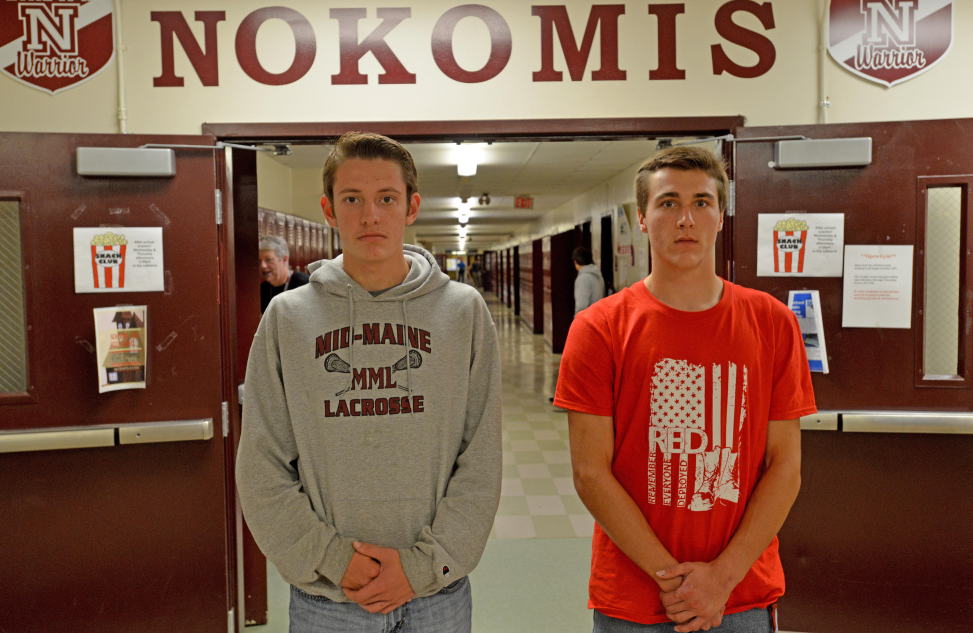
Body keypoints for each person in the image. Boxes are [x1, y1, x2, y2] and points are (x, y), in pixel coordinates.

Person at [236, 132, 502, 633]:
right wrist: (335, 559)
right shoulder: (288, 319)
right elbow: (261, 463)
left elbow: (481, 455)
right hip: (327, 600)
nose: (370, 216)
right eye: (352, 199)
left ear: (412, 206)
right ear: (328, 210)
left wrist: (422, 565)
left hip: (435, 597)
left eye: (386, 199)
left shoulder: (462, 312)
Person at [554, 146, 816, 633]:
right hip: (635, 599)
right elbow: (591, 473)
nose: (685, 219)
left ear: (720, 217)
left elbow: (786, 467)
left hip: (741, 596)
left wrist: (721, 579)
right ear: (643, 218)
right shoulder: (599, 328)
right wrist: (677, 583)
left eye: (701, 203)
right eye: (669, 203)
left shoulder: (772, 323)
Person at [260, 234, 310, 313]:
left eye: (268, 260)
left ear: (284, 259)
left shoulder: (305, 284)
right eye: (259, 261)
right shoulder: (264, 289)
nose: (262, 266)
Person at [572, 246, 605, 316]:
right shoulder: (598, 275)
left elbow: (581, 306)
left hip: (588, 320)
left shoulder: (583, 279)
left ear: (575, 262)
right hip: (598, 317)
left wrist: (577, 323)